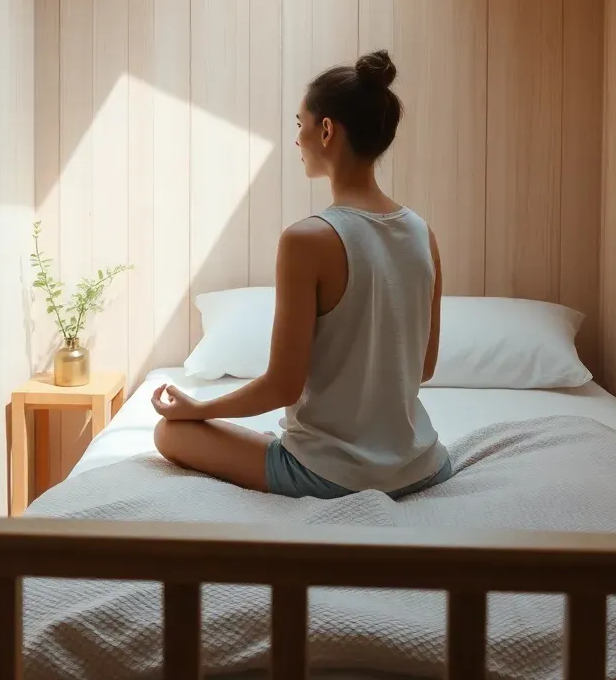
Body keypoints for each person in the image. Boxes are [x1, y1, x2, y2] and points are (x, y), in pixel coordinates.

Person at [151, 49, 451, 499]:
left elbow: (282, 385)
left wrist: (199, 409)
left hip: (333, 475)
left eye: (300, 124)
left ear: (326, 130)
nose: (297, 139)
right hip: (423, 465)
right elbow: (423, 367)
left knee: (168, 434)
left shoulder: (305, 240)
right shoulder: (422, 233)